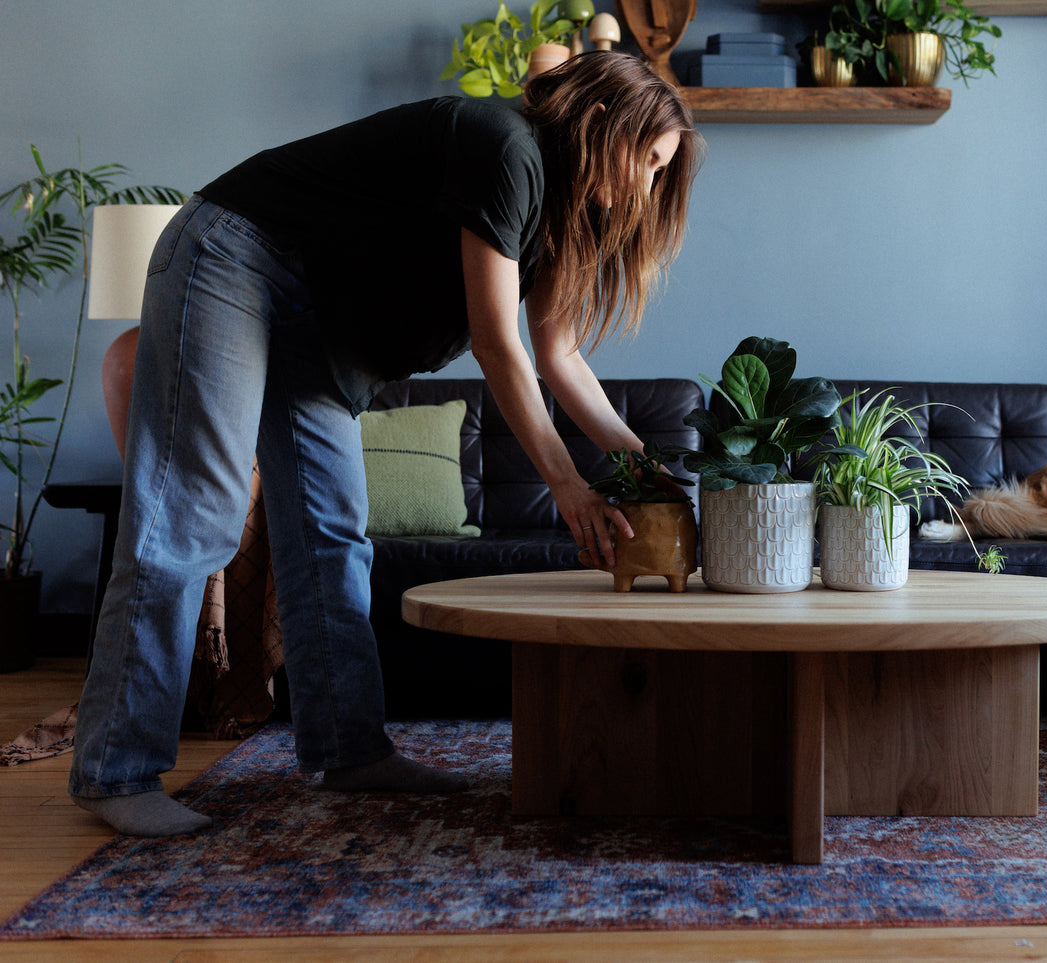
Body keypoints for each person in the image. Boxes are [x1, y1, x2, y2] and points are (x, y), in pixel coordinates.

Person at [69, 51, 703, 837]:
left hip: (317, 331)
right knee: (195, 511)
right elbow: (496, 342)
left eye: (661, 172)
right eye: (646, 159)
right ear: (600, 120)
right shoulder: (504, 146)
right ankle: (115, 768)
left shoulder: (563, 212)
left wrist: (638, 460)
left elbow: (559, 354)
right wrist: (567, 483)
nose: (647, 186)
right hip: (236, 255)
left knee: (333, 533)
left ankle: (347, 752)